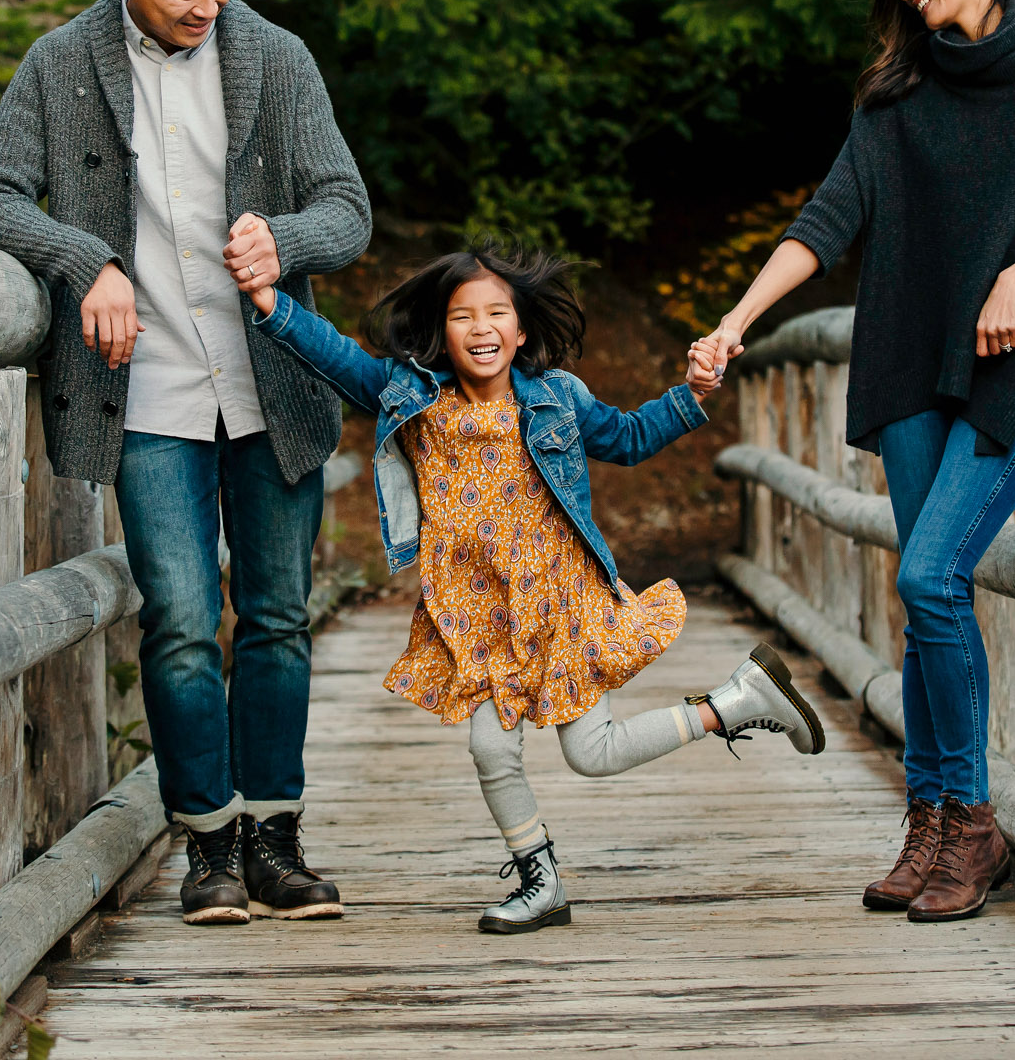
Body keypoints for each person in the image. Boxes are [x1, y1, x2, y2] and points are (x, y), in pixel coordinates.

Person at [701, 0, 1015, 923]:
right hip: (907, 365)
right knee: (921, 592)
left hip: (1009, 368)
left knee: (936, 577)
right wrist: (734, 322)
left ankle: (973, 826)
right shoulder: (897, 94)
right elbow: (826, 219)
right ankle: (930, 819)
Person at [0, 0, 372, 926]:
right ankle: (208, 847)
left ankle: (276, 838)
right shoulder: (60, 63)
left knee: (275, 618)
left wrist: (287, 236)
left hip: (272, 387)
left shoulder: (276, 57)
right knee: (182, 622)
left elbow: (348, 207)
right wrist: (81, 257)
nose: (211, 6)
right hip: (144, 397)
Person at [238, 243, 826, 934]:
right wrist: (272, 304)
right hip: (479, 620)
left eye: (497, 313)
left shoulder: (555, 398)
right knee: (491, 749)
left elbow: (631, 438)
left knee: (593, 752)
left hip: (559, 607)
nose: (481, 327)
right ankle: (540, 880)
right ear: (440, 330)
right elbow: (338, 356)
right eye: (462, 316)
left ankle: (734, 703)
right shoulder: (412, 395)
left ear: (520, 330)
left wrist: (693, 394)